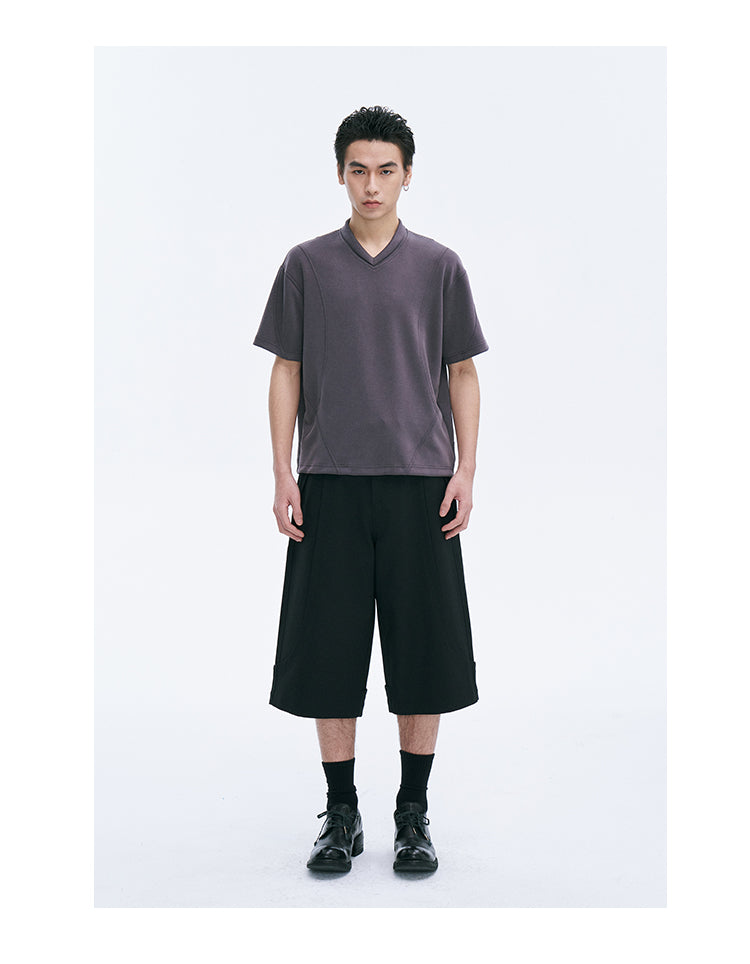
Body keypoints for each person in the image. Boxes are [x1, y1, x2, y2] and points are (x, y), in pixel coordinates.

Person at [252, 105, 489, 874]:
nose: (372, 184)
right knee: (329, 654)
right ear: (341, 175)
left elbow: (462, 372)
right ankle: (342, 813)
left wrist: (466, 468)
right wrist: (283, 471)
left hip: (422, 485)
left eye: (387, 170)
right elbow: (286, 368)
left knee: (423, 655)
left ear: (407, 175)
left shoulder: (440, 266)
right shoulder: (306, 265)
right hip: (330, 483)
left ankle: (413, 813)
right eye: (359, 169)